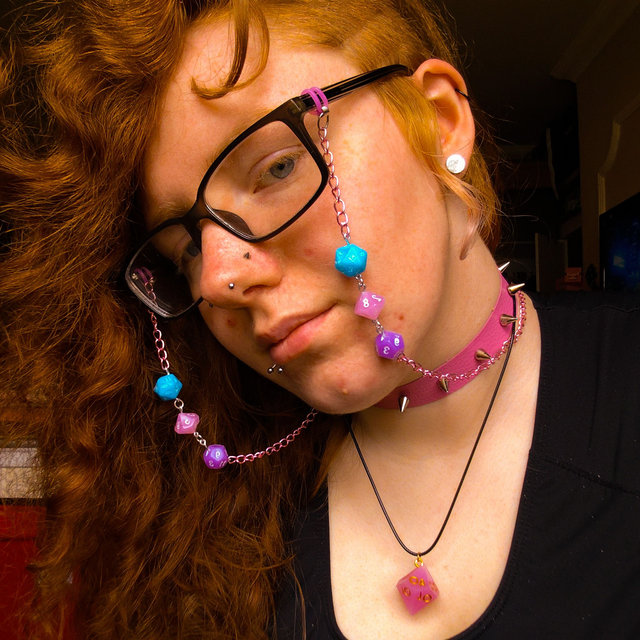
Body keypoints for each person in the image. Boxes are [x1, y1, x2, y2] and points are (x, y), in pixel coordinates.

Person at [2, 1, 639, 639]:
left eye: (277, 168)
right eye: (185, 250)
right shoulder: (204, 515)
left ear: (440, 124)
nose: (218, 280)